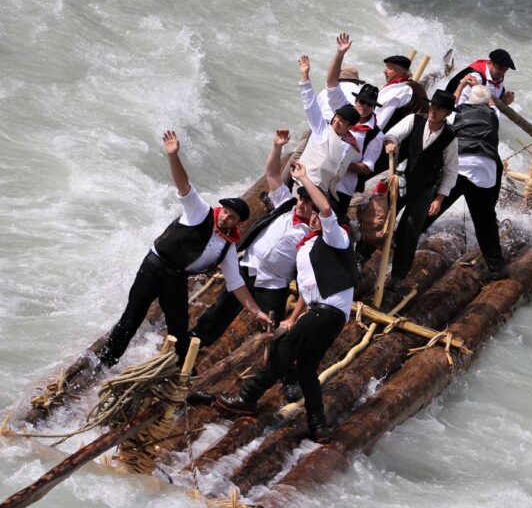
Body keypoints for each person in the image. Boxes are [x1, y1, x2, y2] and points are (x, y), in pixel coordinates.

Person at [97, 131, 271, 369]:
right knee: (132, 318)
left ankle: (182, 371)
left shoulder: (228, 246)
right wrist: (173, 156)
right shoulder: (199, 211)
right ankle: (104, 364)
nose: (226, 218)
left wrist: (256, 311)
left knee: (179, 328)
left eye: (232, 218)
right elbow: (184, 185)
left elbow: (236, 284)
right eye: (226, 212)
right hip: (155, 267)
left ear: (238, 223)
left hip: (177, 278)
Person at [215, 160, 358, 444]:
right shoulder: (309, 245)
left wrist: (304, 179)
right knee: (306, 369)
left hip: (329, 312)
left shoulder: (337, 237)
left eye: (316, 212)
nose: (313, 216)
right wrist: (292, 318)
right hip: (322, 312)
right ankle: (318, 425)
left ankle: (248, 397)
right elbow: (307, 287)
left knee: (283, 350)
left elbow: (326, 209)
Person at [190, 129, 316, 348]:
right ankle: (195, 342)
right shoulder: (286, 204)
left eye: (307, 202)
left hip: (274, 282)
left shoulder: (313, 233)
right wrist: (277, 147)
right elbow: (272, 175)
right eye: (301, 199)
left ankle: (270, 360)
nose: (301, 204)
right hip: (248, 266)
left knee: (272, 327)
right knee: (220, 310)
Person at [423, 84, 508, 279]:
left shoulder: (457, 112)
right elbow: (492, 103)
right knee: (485, 223)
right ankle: (496, 268)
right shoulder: (494, 114)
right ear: (487, 103)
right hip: (483, 172)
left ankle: (401, 240)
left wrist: (462, 84)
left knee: (430, 207)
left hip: (458, 167)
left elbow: (454, 103)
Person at [381, 89, 459, 296]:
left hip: (424, 189)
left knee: (410, 230)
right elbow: (393, 134)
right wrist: (391, 142)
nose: (433, 111)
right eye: (432, 106)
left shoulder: (450, 138)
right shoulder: (414, 120)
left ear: (447, 113)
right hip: (400, 180)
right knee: (380, 218)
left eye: (439, 109)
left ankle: (398, 277)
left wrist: (439, 198)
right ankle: (362, 256)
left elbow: (451, 171)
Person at [324, 32, 385, 216]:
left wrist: (342, 163)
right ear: (356, 100)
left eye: (369, 104)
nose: (363, 107)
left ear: (373, 108)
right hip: (321, 174)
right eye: (361, 102)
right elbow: (331, 83)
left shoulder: (376, 134)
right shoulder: (344, 110)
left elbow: (367, 167)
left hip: (342, 188)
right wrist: (340, 54)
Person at [297, 54, 362, 202]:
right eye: (337, 116)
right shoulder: (322, 129)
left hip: (322, 191)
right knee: (294, 162)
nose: (337, 121)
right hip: (302, 186)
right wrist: (304, 75)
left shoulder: (351, 146)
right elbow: (310, 103)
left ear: (350, 127)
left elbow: (337, 173)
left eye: (342, 121)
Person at [375, 53, 428, 133]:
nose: (384, 71)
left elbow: (379, 120)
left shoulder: (401, 89)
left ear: (400, 72)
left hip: (397, 138)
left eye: (389, 68)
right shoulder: (411, 86)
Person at [446, 48, 516, 106]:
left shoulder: (498, 77)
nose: (502, 72)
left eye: (505, 70)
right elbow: (457, 105)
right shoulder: (475, 77)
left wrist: (503, 101)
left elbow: (493, 104)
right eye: (500, 68)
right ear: (490, 62)